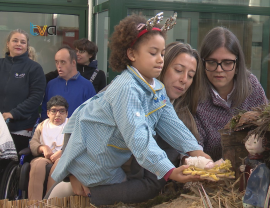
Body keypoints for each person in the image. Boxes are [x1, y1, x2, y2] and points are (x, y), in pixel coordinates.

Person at [50, 13, 210, 205]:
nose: (160, 59)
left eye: (162, 53)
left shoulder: (156, 88)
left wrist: (195, 150)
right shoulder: (126, 88)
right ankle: (62, 191)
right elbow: (138, 137)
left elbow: (171, 123)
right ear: (132, 54)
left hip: (111, 159)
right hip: (91, 148)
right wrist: (169, 170)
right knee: (79, 190)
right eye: (153, 53)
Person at [194, 27, 268, 160]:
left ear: (237, 64)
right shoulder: (195, 95)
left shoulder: (252, 86)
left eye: (227, 63)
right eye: (212, 62)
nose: (219, 69)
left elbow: (268, 129)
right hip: (210, 172)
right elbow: (194, 146)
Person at [0, 29, 46, 155]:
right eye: (15, 40)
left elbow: (36, 97)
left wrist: (13, 113)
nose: (19, 44)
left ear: (27, 46)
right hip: (0, 127)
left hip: (21, 129)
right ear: (8, 44)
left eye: (23, 42)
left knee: (12, 167)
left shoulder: (34, 68)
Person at [28, 96, 69, 200]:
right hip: (44, 157)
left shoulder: (71, 126)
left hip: (62, 157)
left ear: (66, 113)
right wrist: (42, 147)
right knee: (37, 164)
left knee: (59, 164)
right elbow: (33, 143)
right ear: (48, 113)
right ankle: (34, 203)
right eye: (54, 111)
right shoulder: (42, 126)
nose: (58, 114)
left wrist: (61, 152)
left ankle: (49, 201)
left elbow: (75, 143)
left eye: (61, 111)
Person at [41, 46, 96, 120]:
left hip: (77, 130)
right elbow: (45, 111)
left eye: (63, 62)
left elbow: (93, 114)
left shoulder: (87, 86)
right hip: (54, 129)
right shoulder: (51, 84)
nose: (59, 66)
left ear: (73, 63)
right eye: (56, 62)